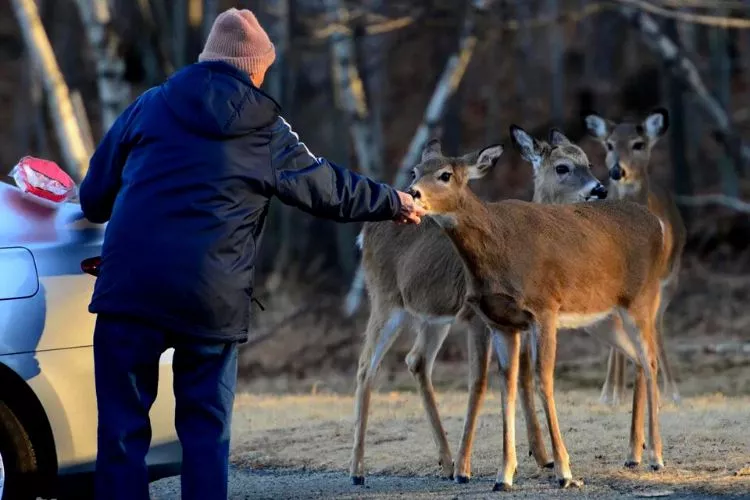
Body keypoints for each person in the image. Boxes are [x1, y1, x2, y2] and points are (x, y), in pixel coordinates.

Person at [78, 7, 425, 500]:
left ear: (207, 60)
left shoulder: (149, 105)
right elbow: (328, 188)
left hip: (129, 294)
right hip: (209, 301)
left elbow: (93, 198)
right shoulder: (267, 129)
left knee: (120, 435)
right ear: (254, 68)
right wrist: (391, 201)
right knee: (204, 435)